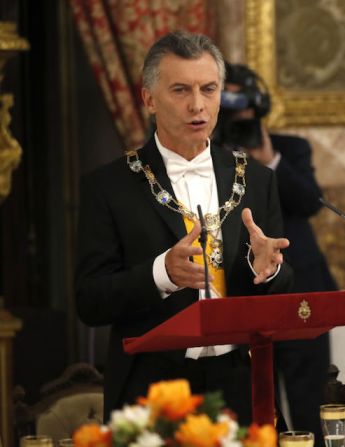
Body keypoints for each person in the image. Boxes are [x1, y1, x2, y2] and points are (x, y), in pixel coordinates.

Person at [75, 31, 293, 424]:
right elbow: (90, 300)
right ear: (149, 99)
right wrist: (161, 273)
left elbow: (281, 290)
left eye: (209, 89)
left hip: (238, 382)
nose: (198, 105)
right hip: (152, 387)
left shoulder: (257, 180)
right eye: (180, 90)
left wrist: (270, 270)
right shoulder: (108, 186)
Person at [213, 62, 337, 445]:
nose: (240, 120)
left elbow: (310, 202)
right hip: (243, 293)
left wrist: (269, 160)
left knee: (308, 404)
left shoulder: (291, 149)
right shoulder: (209, 159)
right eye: (231, 113)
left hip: (303, 289)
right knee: (248, 407)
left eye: (246, 112)